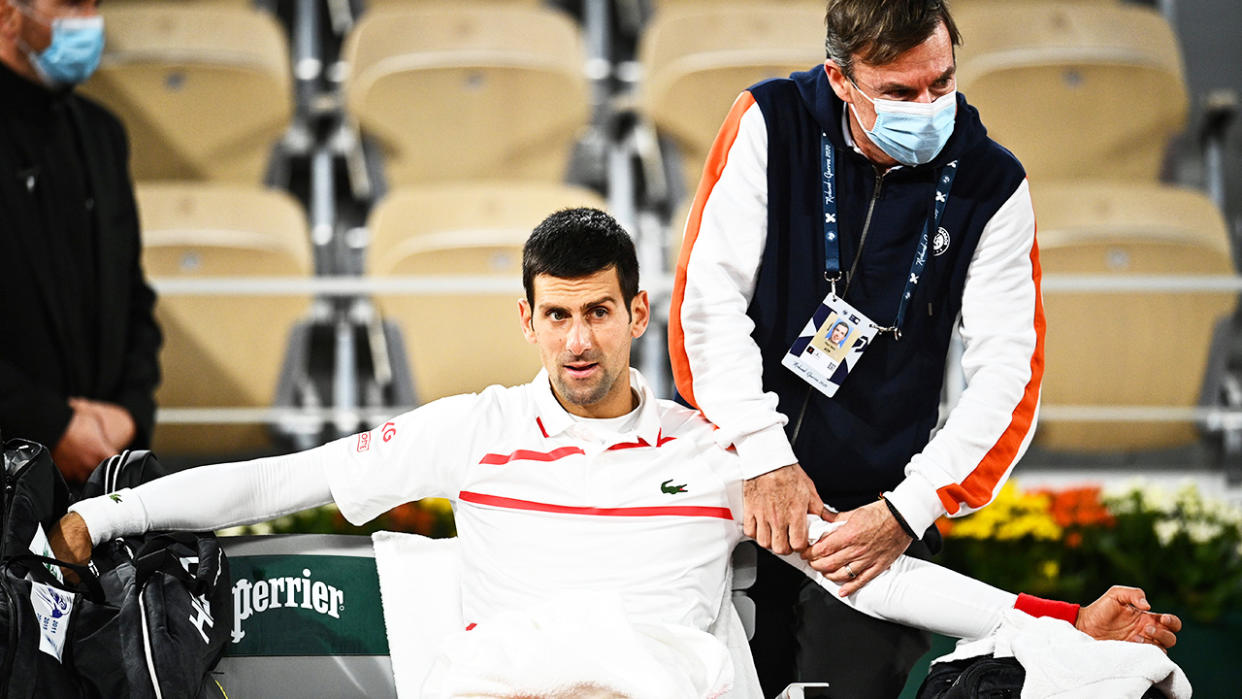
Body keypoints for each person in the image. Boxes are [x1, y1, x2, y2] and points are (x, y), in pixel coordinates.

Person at [52, 209, 1178, 696]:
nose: (578, 338)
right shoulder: (478, 430)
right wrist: (103, 519)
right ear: (529, 320)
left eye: (599, 313)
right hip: (505, 687)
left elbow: (872, 575)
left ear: (637, 314)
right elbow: (281, 479)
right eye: (557, 315)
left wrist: (1052, 622)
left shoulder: (726, 453)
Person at [669, 0, 1046, 693]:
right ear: (841, 80)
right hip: (731, 477)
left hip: (875, 510)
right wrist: (763, 453)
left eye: (942, 82)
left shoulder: (993, 184)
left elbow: (1010, 376)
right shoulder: (769, 123)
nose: (929, 106)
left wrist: (910, 507)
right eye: (900, 92)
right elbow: (705, 305)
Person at [0, 0, 161, 484]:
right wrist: (50, 425)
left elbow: (133, 295)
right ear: (8, 14)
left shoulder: (102, 133)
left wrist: (128, 414)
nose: (89, 19)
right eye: (71, 4)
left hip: (103, 467)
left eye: (94, 4)